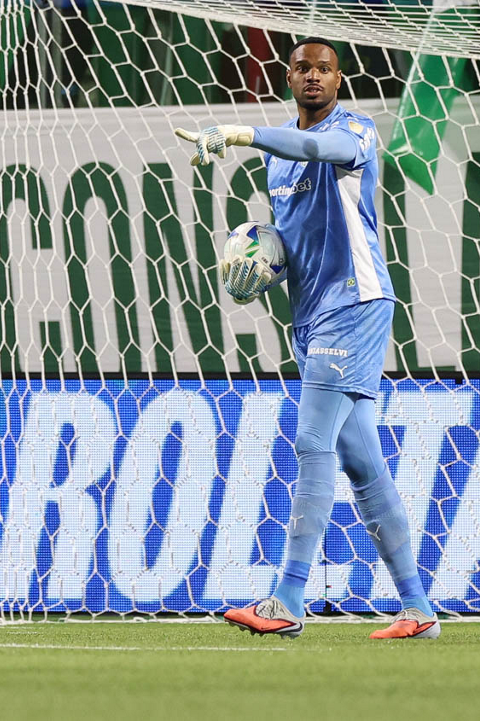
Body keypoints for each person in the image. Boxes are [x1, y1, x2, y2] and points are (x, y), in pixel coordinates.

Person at [174, 36, 438, 640]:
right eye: (301, 69)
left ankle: (287, 599)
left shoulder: (357, 130)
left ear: (338, 80)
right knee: (361, 461)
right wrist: (262, 265)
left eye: (323, 69)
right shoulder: (278, 163)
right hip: (311, 316)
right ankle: (419, 611)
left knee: (311, 437)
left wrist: (243, 132)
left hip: (357, 303)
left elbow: (321, 147)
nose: (312, 77)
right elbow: (296, 237)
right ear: (287, 78)